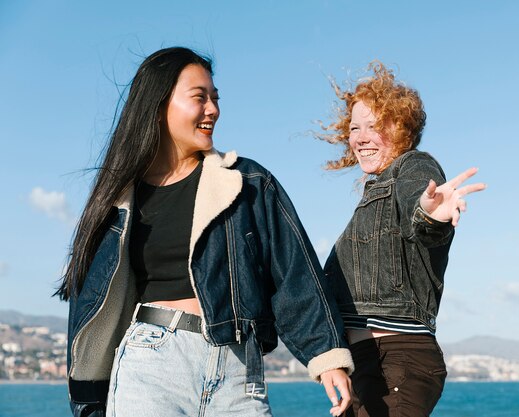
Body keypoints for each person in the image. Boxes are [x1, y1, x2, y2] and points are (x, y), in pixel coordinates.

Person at [55, 47, 353, 417]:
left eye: (215, 99)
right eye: (200, 98)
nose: (213, 109)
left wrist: (327, 358)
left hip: (238, 371)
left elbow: (294, 270)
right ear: (159, 105)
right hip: (151, 363)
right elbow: (91, 304)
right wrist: (88, 395)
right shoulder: (118, 199)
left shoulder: (247, 181)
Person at [317, 62, 486, 417]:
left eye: (374, 126)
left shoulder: (414, 168)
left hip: (399, 358)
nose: (360, 137)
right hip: (365, 363)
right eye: (354, 128)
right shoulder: (372, 194)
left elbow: (419, 213)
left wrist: (430, 214)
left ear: (402, 126)